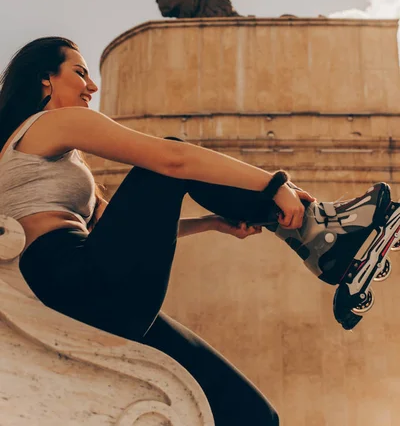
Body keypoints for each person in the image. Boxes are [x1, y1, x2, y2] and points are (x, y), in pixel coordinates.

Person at [1, 36, 395, 422]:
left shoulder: (58, 156)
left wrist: (210, 223)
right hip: (74, 279)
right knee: (165, 160)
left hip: (89, 288)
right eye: (80, 72)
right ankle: (320, 232)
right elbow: (173, 160)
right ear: (45, 78)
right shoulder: (52, 123)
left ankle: (325, 243)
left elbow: (124, 230)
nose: (92, 85)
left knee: (251, 413)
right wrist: (275, 184)